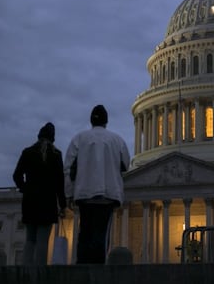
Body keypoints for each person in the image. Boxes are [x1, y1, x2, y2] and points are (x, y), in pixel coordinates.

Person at [64, 105, 130, 264]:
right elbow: (125, 165)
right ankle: (98, 270)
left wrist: (68, 194)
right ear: (106, 121)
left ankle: (82, 269)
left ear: (91, 121)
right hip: (108, 194)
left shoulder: (79, 138)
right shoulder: (117, 140)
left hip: (85, 193)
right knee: (101, 234)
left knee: (85, 233)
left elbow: (68, 169)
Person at [13, 122, 67, 265]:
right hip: (47, 203)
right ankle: (39, 275)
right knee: (43, 241)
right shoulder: (56, 155)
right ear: (52, 138)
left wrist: (25, 188)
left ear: (39, 136)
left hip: (30, 201)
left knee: (30, 239)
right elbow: (59, 184)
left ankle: (25, 273)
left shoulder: (27, 152)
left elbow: (16, 175)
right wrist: (62, 205)